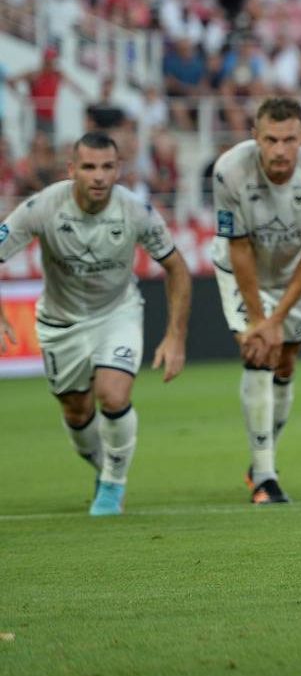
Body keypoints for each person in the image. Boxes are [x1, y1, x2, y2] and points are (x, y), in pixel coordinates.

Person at [0, 131, 190, 516]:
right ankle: (106, 468)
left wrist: (174, 336)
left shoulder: (136, 211)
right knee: (76, 411)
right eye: (89, 167)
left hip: (116, 313)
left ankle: (113, 486)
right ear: (72, 169)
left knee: (113, 395)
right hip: (60, 322)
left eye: (107, 167)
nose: (98, 176)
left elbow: (177, 268)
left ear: (119, 170)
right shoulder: (42, 207)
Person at [211, 98, 301, 504]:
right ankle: (266, 476)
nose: (280, 149)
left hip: (292, 277)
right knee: (258, 353)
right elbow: (238, 247)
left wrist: (278, 318)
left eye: (289, 140)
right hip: (241, 270)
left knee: (285, 364)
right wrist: (258, 321)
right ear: (256, 137)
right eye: (271, 139)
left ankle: (261, 458)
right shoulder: (228, 171)